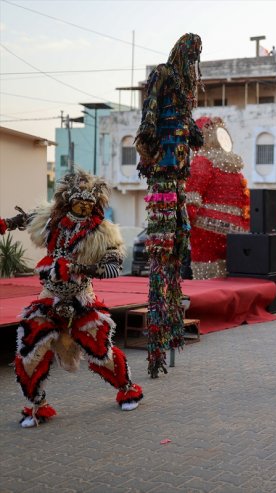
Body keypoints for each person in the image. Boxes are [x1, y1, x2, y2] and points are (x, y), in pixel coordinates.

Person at [0, 169, 144, 428]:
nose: (84, 205)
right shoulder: (51, 218)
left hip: (81, 299)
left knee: (101, 351)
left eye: (90, 202)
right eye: (80, 200)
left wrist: (81, 268)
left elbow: (113, 267)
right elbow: (25, 218)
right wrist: (7, 223)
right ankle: (37, 404)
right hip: (49, 298)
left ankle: (127, 388)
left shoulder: (103, 231)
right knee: (30, 351)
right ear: (68, 199)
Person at [135, 33, 205, 376]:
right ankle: (155, 347)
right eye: (192, 53)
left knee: (177, 248)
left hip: (179, 171)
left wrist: (193, 130)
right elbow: (150, 109)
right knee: (162, 252)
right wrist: (148, 134)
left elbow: (183, 115)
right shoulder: (163, 73)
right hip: (163, 166)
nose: (194, 59)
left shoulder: (187, 85)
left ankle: (169, 332)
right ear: (182, 49)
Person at [185, 117, 250, 279]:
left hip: (206, 232)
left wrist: (183, 228)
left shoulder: (202, 162)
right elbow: (245, 201)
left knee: (206, 277)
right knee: (228, 277)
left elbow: (191, 200)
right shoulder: (234, 168)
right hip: (236, 232)